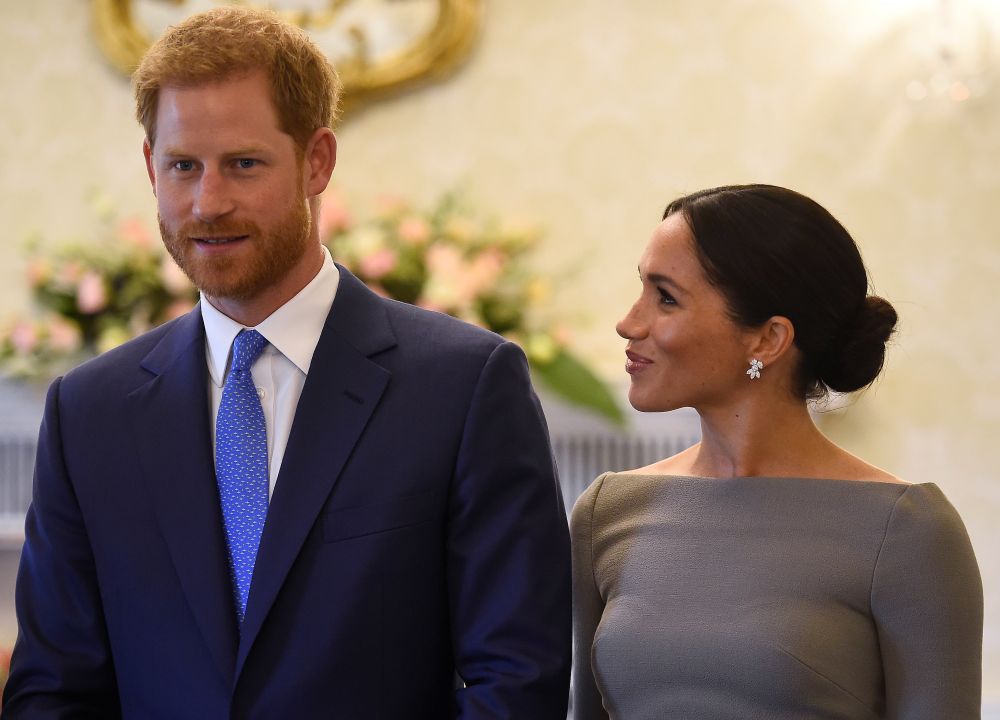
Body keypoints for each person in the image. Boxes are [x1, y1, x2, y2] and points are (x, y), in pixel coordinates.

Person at [3, 7, 571, 718]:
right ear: (151, 168)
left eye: (243, 164)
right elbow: (53, 691)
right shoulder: (87, 411)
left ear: (317, 162)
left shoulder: (464, 387)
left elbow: (516, 681)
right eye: (183, 166)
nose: (209, 203)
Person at [571, 184, 983, 719]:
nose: (629, 323)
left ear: (767, 340)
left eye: (666, 297)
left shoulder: (907, 531)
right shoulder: (607, 511)